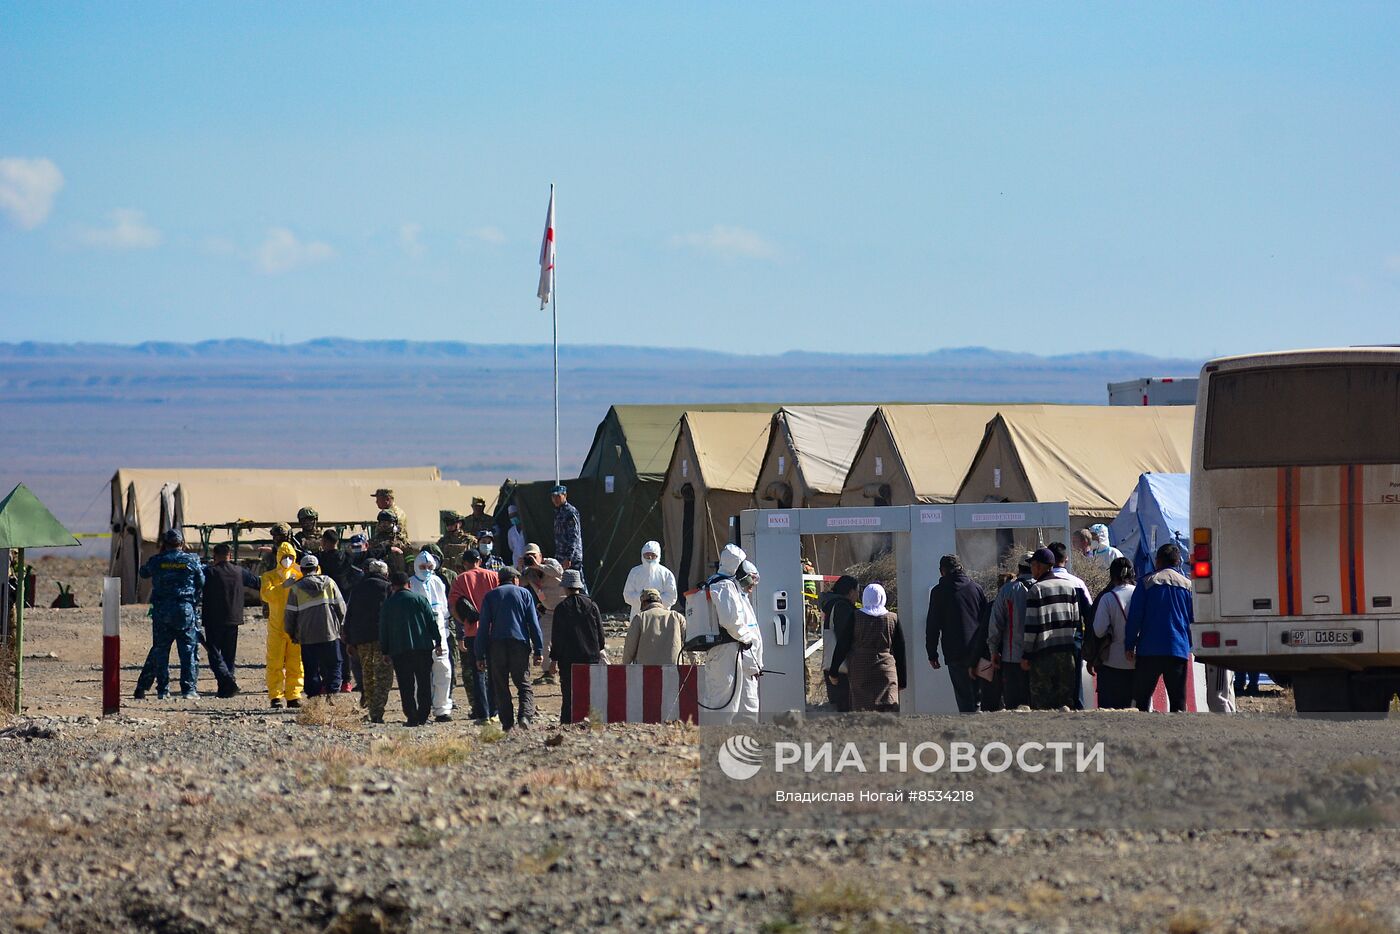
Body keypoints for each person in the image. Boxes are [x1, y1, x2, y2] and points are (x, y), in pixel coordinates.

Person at [134, 529, 206, 700]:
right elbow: (202, 581)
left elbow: (143, 573)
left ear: (164, 544)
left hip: (162, 611)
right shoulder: (192, 560)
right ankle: (188, 690)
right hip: (184, 610)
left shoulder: (157, 561)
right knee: (188, 650)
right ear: (182, 543)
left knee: (161, 651)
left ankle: (163, 690)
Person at [698, 544, 764, 724]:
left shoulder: (732, 589)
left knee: (745, 705)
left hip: (736, 654)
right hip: (726, 653)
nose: (750, 586)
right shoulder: (724, 586)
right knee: (723, 703)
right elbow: (730, 621)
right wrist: (747, 639)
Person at [1126, 543, 1194, 712]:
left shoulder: (1146, 583)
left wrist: (1129, 644)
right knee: (1178, 702)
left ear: (1157, 561)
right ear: (1178, 562)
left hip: (1149, 651)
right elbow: (1192, 619)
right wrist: (1190, 645)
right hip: (1177, 650)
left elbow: (1135, 617)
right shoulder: (1187, 586)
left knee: (1140, 701)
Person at [476, 566, 544, 731]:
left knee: (501, 685)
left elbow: (483, 627)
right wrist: (539, 650)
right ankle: (525, 717)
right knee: (523, 683)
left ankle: (507, 724)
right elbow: (533, 624)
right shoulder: (524, 594)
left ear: (500, 580)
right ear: (515, 579)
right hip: (519, 644)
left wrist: (480, 655)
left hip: (497, 645)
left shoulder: (490, 596)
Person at [925, 554, 990, 713]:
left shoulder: (938, 592)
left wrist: (932, 654)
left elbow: (933, 625)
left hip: (955, 653)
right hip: (980, 650)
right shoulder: (976, 588)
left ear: (942, 571)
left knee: (965, 699)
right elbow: (986, 620)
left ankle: (970, 732)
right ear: (961, 568)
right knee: (983, 696)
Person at [1021, 548, 1083, 710]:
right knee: (1065, 703)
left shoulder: (1036, 589)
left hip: (1043, 656)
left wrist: (1026, 654)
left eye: (1033, 565)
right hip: (1066, 654)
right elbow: (1076, 621)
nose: (1032, 569)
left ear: (1040, 566)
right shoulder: (1069, 587)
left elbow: (1031, 626)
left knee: (1042, 705)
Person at [379, 571, 441, 727]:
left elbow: (383, 630)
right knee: (424, 683)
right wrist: (438, 641)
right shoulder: (420, 599)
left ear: (392, 587)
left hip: (400, 650)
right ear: (410, 584)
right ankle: (423, 715)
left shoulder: (388, 604)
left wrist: (385, 651)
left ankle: (412, 716)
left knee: (406, 685)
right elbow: (431, 622)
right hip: (423, 648)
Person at [284, 554, 348, 698]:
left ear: (302, 569)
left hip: (307, 636)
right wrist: (342, 627)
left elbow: (290, 615)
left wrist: (292, 633)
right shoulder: (329, 583)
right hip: (330, 633)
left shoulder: (295, 588)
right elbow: (341, 607)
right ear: (317, 568)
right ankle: (332, 694)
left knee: (311, 668)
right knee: (334, 664)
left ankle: (314, 698)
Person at [200, 543, 259, 698]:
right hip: (233, 619)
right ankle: (226, 686)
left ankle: (226, 681)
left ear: (214, 557)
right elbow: (257, 583)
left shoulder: (208, 572)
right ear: (230, 556)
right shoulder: (239, 572)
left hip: (213, 620)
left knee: (214, 654)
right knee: (229, 655)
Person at [447, 549, 499, 722]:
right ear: (479, 561)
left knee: (478, 672)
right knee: (494, 671)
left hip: (473, 632)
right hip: (493, 630)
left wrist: (463, 621)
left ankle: (482, 714)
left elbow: (453, 606)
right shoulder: (493, 576)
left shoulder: (460, 579)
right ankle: (495, 711)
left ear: (465, 562)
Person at [550, 569, 607, 724]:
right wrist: (597, 649)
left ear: (565, 587)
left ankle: (568, 723)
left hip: (568, 660)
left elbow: (557, 637)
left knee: (569, 694)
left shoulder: (561, 608)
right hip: (590, 657)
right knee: (591, 692)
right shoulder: (592, 605)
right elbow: (600, 636)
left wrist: (554, 659)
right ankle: (593, 722)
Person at [838, 583, 906, 712]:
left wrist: (834, 670)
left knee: (862, 708)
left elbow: (843, 644)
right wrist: (902, 680)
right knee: (888, 708)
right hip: (886, 669)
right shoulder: (892, 618)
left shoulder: (855, 616)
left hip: (860, 668)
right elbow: (900, 650)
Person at [344, 560, 394, 723]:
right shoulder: (388, 588)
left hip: (362, 639)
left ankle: (372, 708)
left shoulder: (358, 588)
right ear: (385, 573)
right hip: (382, 638)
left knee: (368, 674)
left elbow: (349, 614)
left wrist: (349, 640)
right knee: (384, 675)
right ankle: (377, 711)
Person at [408, 551, 454, 722]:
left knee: (444, 670)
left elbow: (444, 610)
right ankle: (422, 709)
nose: (426, 570)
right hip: (419, 635)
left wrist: (445, 630)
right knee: (420, 674)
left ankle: (442, 709)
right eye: (422, 567)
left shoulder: (437, 582)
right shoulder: (411, 584)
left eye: (429, 567)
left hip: (440, 633)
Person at [986, 553, 1035, 709]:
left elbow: (995, 624)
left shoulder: (1008, 590)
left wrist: (993, 651)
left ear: (1019, 568)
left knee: (1014, 705)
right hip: (1039, 657)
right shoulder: (1042, 587)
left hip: (1012, 658)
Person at [261, 540, 304, 708]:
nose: (287, 560)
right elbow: (266, 595)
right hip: (277, 628)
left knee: (296, 662)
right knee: (275, 662)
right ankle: (276, 696)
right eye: (284, 557)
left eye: (290, 557)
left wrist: (300, 569)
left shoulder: (299, 573)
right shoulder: (269, 576)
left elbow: (315, 574)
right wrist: (283, 587)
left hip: (296, 626)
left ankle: (294, 695)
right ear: (278, 557)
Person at [1090, 557, 1137, 709]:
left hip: (1112, 662)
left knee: (1111, 712)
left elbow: (1098, 631)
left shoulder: (1108, 598)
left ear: (1112, 576)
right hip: (1138, 662)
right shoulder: (1141, 594)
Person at [521, 547, 566, 685]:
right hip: (549, 611)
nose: (531, 558)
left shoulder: (551, 562)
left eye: (533, 555)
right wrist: (520, 568)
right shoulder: (529, 573)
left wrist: (538, 565)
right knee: (543, 640)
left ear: (540, 555)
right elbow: (520, 583)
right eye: (528, 556)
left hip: (565, 609)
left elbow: (558, 571)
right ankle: (548, 673)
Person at [819, 576, 859, 712]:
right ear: (850, 591)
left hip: (833, 666)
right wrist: (835, 671)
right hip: (841, 668)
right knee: (845, 710)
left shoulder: (831, 604)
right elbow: (845, 639)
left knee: (837, 709)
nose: (858, 595)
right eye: (857, 591)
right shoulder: (843, 607)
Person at [623, 588, 687, 666]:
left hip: (645, 671)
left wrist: (625, 665)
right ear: (660, 601)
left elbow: (630, 647)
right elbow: (689, 641)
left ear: (643, 603)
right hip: (673, 670)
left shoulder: (640, 618)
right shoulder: (676, 617)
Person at [622, 540, 678, 621]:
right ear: (642, 555)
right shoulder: (635, 572)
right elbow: (627, 594)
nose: (650, 558)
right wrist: (642, 600)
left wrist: (655, 602)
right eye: (647, 555)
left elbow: (672, 596)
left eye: (653, 555)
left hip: (660, 616)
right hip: (638, 616)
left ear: (658, 555)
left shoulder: (666, 574)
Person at [551, 484, 583, 578]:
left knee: (576, 582)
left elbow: (574, 536)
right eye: (553, 496)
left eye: (558, 496)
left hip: (571, 557)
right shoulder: (558, 512)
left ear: (565, 496)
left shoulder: (570, 512)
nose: (555, 499)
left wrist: (569, 557)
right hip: (561, 555)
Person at [369, 509, 412, 576]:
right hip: (382, 576)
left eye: (388, 522)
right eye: (382, 522)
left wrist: (410, 573)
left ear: (394, 524)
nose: (384, 524)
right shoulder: (374, 541)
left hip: (399, 576)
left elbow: (409, 558)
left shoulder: (401, 540)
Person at [507, 505, 527, 570]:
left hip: (527, 560)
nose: (513, 518)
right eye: (511, 516)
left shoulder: (526, 529)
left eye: (514, 515)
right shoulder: (510, 531)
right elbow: (511, 547)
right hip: (516, 561)